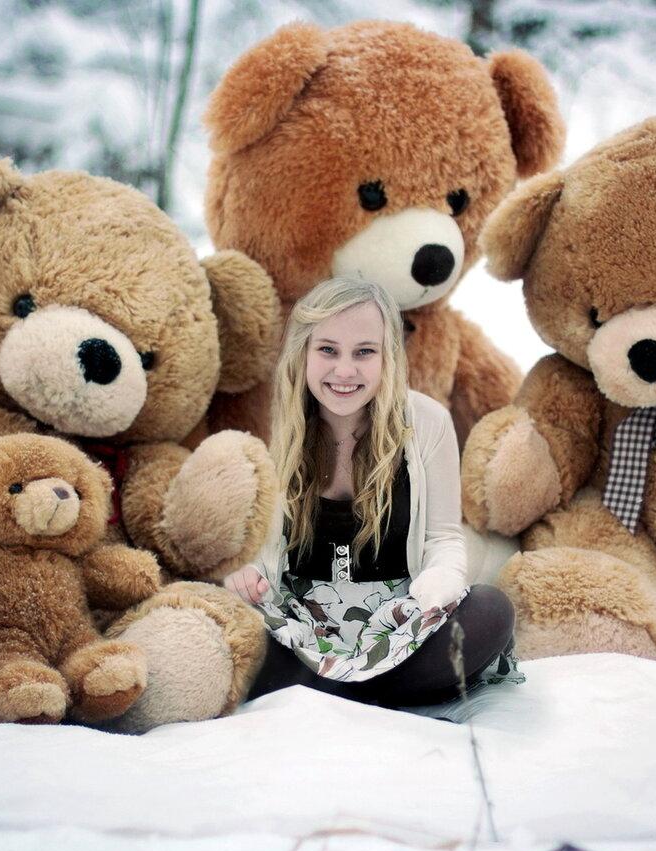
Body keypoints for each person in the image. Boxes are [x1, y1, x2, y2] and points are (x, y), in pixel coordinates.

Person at [223, 277, 521, 707]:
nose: (345, 370)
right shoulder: (277, 422)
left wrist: (442, 579)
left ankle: (333, 692)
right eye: (328, 350)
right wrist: (246, 572)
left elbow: (443, 538)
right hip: (301, 623)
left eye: (364, 352)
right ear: (303, 353)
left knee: (491, 611)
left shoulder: (427, 422)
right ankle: (371, 693)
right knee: (224, 623)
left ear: (388, 357)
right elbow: (254, 545)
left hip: (397, 624)